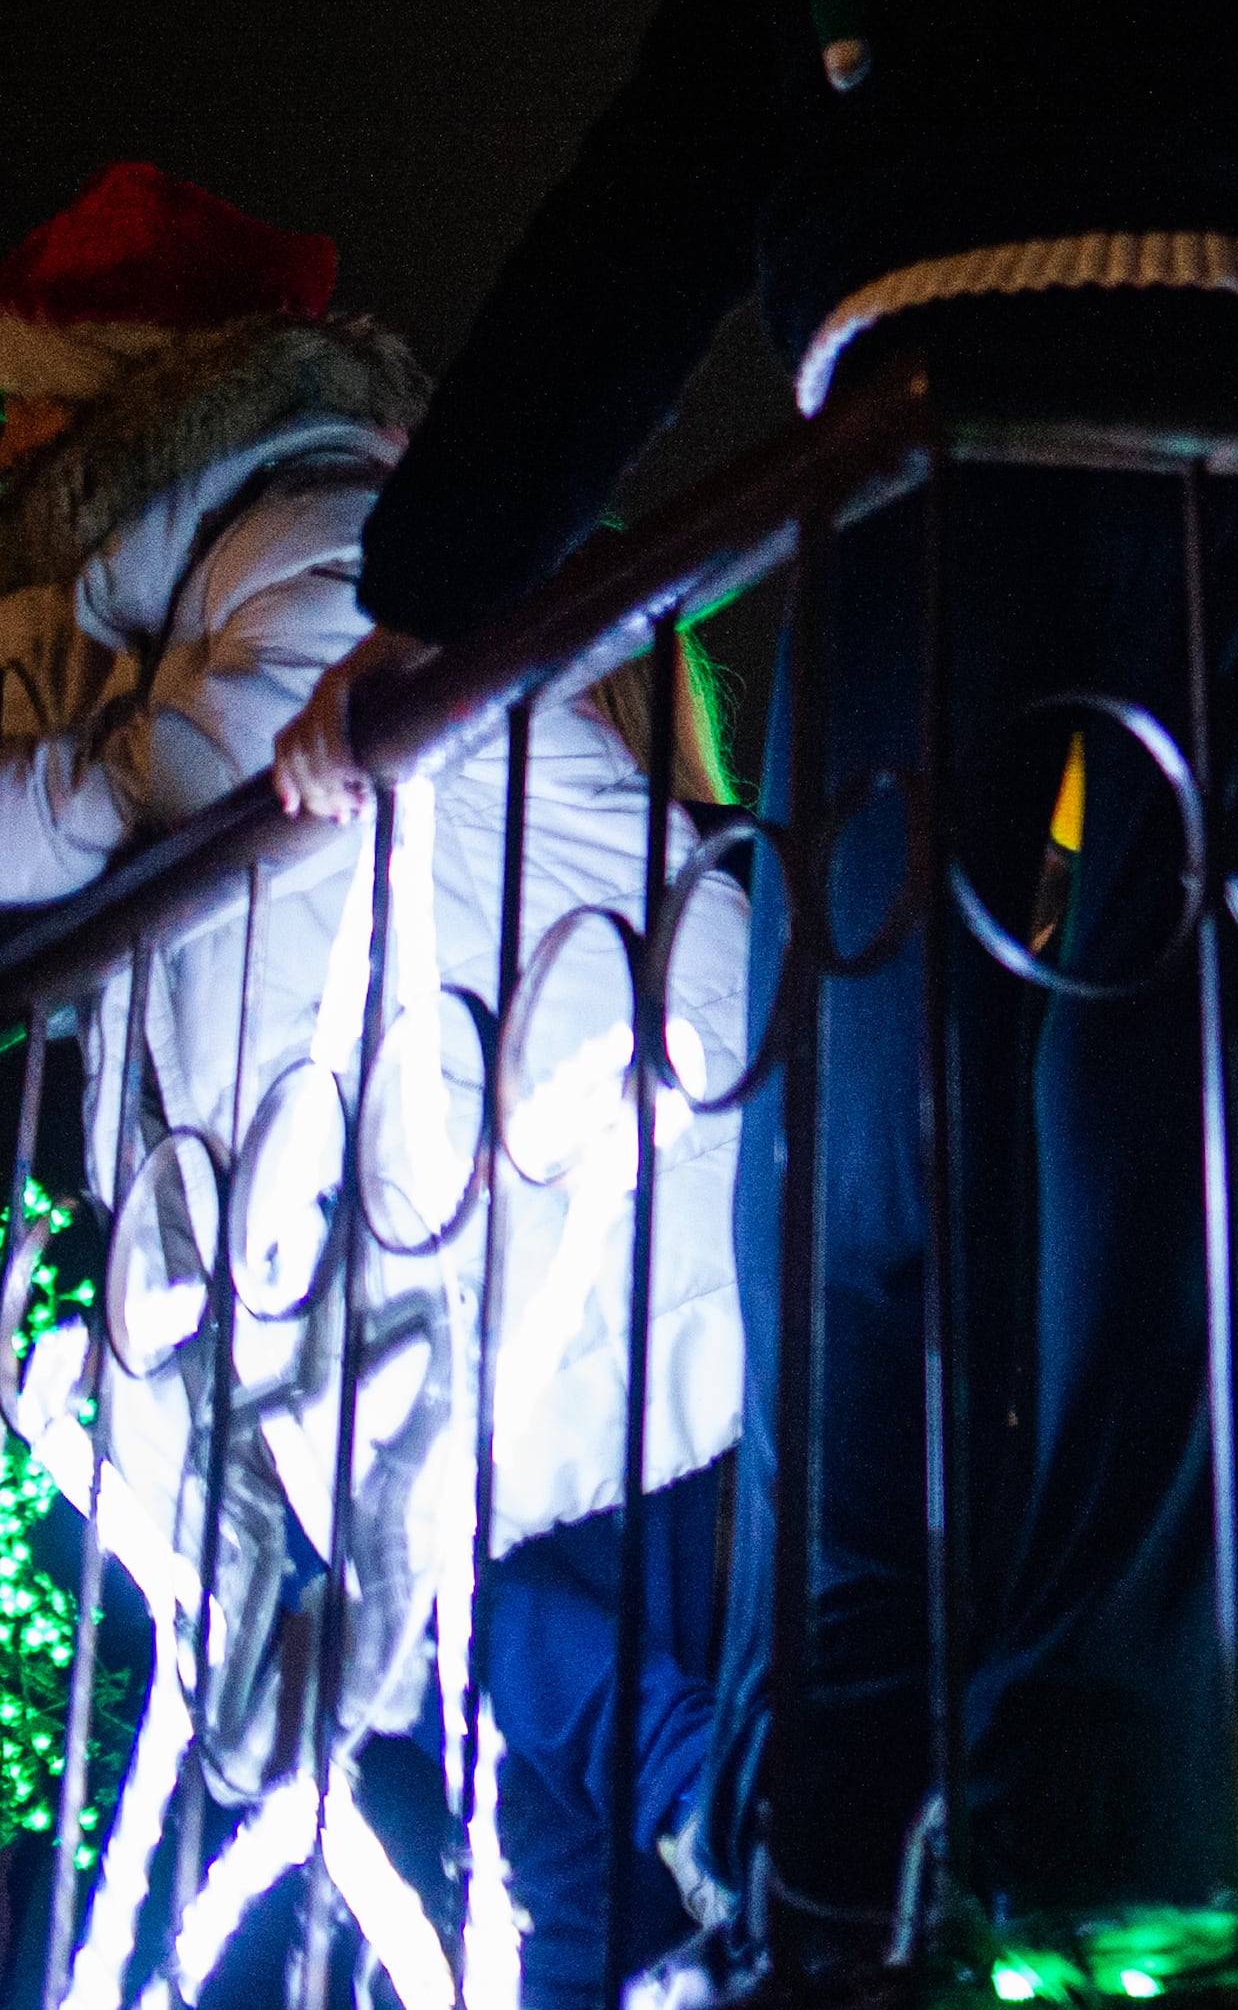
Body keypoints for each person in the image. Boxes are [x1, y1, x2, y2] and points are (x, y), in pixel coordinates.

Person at [272, 0, 1238, 1957]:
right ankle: (1120, 1826)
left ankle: (839, 1817)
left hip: (917, 453)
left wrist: (444, 587)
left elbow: (642, 208)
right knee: (1187, 1125)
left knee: (864, 1160)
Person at [2, 164, 743, 2010]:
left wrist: (90, 787)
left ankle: (822, 1878)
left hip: (537, 1170)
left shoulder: (326, 507)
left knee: (591, 1684)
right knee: (545, 1747)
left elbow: (223, 761)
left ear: (119, 399)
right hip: (460, 1205)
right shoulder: (234, 549)